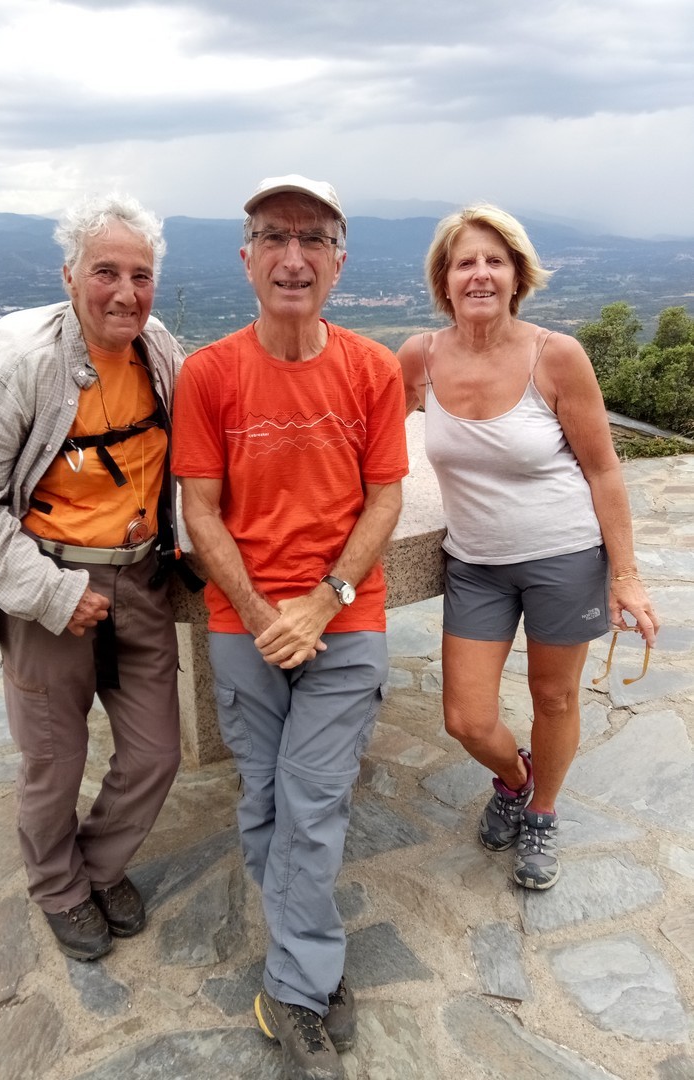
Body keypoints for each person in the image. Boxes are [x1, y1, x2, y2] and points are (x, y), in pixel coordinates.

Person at [172, 175, 408, 1080]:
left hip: (346, 621)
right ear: (247, 258)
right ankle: (306, 955)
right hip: (247, 624)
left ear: (340, 261)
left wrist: (324, 602)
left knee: (311, 804)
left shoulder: (371, 368)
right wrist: (272, 615)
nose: (293, 256)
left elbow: (385, 496)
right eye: (275, 237)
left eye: (314, 239)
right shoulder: (211, 373)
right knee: (266, 800)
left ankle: (299, 985)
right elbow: (201, 509)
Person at [0, 195, 184, 961]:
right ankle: (59, 887)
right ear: (69, 275)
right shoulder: (23, 367)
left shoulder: (160, 349)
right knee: (55, 756)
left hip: (139, 576)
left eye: (140, 275)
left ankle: (101, 863)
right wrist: (51, 593)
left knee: (155, 752)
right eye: (105, 271)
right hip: (48, 580)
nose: (125, 292)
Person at [397, 204, 660, 891]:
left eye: (495, 260)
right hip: (476, 564)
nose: (480, 273)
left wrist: (625, 574)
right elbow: (365, 442)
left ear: (517, 276)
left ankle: (541, 811)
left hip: (565, 556)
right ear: (444, 281)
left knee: (555, 699)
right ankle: (516, 777)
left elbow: (603, 468)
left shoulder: (557, 356)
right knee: (465, 716)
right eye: (465, 262)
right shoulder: (418, 358)